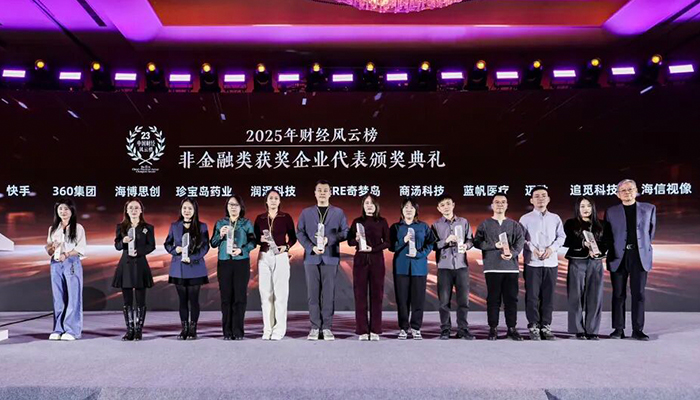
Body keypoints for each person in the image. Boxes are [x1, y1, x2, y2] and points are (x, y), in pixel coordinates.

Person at [296, 180, 349, 341]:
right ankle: (314, 327)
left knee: (328, 294)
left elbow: (345, 232)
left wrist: (329, 240)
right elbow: (300, 232)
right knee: (312, 294)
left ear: (330, 193)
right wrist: (311, 247)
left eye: (325, 190)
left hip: (330, 257)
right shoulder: (306, 213)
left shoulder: (338, 213)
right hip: (312, 258)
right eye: (319, 190)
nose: (322, 193)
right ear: (315, 193)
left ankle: (326, 327)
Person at [605, 179, 656, 341]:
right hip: (618, 256)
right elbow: (608, 234)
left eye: (630, 189)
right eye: (623, 190)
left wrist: (641, 247)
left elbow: (650, 233)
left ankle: (638, 329)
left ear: (636, 190)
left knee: (638, 294)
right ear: (617, 194)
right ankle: (618, 329)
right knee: (618, 294)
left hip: (639, 256)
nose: (627, 193)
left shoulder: (649, 209)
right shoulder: (611, 211)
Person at [473, 193, 525, 341]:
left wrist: (513, 253)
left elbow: (520, 242)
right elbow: (477, 242)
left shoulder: (514, 225)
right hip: (492, 267)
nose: (500, 204)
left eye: (503, 202)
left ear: (507, 205)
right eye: (497, 202)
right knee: (493, 299)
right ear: (492, 205)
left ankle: (511, 328)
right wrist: (493, 245)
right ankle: (493, 328)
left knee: (511, 299)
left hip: (511, 268)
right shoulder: (485, 224)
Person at [519, 186, 565, 341]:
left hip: (551, 263)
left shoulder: (555, 218)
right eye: (537, 196)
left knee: (548, 296)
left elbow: (561, 237)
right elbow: (521, 239)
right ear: (531, 200)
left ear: (548, 199)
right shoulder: (525, 218)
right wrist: (532, 249)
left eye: (543, 195)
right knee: (532, 296)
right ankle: (533, 325)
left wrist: (552, 249)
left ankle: (545, 325)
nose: (540, 199)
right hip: (532, 262)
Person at [564, 196, 612, 340]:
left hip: (595, 262)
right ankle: (578, 330)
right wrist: (583, 244)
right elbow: (567, 240)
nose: (586, 209)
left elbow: (608, 242)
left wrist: (598, 252)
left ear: (593, 208)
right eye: (582, 206)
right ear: (577, 208)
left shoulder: (603, 224)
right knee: (575, 295)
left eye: (588, 206)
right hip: (577, 261)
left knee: (595, 296)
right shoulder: (571, 223)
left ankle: (592, 330)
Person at [389, 197, 436, 340]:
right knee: (402, 300)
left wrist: (420, 254)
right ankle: (403, 328)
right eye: (406, 207)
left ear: (416, 210)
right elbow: (391, 247)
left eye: (411, 207)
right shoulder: (396, 227)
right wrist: (403, 241)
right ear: (402, 210)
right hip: (401, 267)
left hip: (419, 268)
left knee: (418, 299)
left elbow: (431, 243)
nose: (408, 210)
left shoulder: (423, 226)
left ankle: (416, 328)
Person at [253, 189, 297, 341]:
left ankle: (279, 330)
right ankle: (267, 329)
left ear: (279, 201)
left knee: (281, 294)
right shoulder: (260, 218)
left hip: (280, 256)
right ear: (266, 201)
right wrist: (260, 240)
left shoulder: (285, 217)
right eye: (270, 198)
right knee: (265, 294)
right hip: (264, 256)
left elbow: (293, 237)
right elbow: (254, 238)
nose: (273, 200)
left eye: (276, 198)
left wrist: (287, 247)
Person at [211, 195, 256, 340]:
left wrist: (242, 250)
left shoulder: (246, 223)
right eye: (231, 204)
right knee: (226, 298)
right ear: (227, 206)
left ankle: (238, 331)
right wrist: (221, 235)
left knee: (239, 297)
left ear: (241, 207)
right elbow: (213, 243)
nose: (233, 207)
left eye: (236, 205)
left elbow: (253, 242)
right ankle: (227, 331)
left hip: (241, 262)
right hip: (224, 262)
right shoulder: (220, 223)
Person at [164, 197, 210, 340]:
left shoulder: (202, 226)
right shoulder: (174, 226)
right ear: (181, 210)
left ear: (195, 210)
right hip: (179, 268)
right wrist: (175, 250)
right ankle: (184, 328)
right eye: (184, 208)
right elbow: (167, 244)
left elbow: (205, 247)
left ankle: (193, 328)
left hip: (195, 267)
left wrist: (193, 257)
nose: (187, 211)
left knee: (194, 300)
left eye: (190, 208)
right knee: (182, 300)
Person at [347, 194, 390, 341]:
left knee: (377, 295)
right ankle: (362, 330)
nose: (369, 206)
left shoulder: (382, 222)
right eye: (366, 203)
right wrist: (356, 239)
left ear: (376, 206)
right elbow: (350, 241)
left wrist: (373, 249)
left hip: (376, 260)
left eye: (372, 203)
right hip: (360, 260)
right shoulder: (357, 222)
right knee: (360, 295)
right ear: (363, 206)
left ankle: (375, 330)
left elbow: (388, 242)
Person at [432, 194, 475, 340]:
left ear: (453, 205)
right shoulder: (436, 225)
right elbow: (433, 245)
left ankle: (463, 329)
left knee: (463, 301)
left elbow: (470, 240)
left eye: (448, 204)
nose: (446, 207)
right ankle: (445, 329)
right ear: (439, 208)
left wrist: (466, 246)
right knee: (444, 302)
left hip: (461, 265)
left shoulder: (463, 222)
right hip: (444, 266)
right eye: (442, 205)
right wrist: (445, 241)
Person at [112, 198, 155, 341]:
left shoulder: (147, 228)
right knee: (127, 300)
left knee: (141, 299)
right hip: (126, 265)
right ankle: (129, 329)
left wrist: (140, 251)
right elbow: (117, 246)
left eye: (136, 208)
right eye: (131, 208)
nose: (134, 210)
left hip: (140, 264)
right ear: (126, 211)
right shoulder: (121, 227)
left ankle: (138, 329)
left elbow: (151, 246)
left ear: (141, 210)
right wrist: (122, 242)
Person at [45, 198, 86, 341]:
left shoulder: (78, 228)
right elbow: (49, 249)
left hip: (71, 262)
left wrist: (66, 254)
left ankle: (72, 330)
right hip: (55, 263)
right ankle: (58, 329)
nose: (63, 212)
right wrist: (51, 248)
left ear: (72, 211)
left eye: (66, 209)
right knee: (58, 297)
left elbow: (81, 248)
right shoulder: (53, 229)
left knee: (73, 297)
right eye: (60, 209)